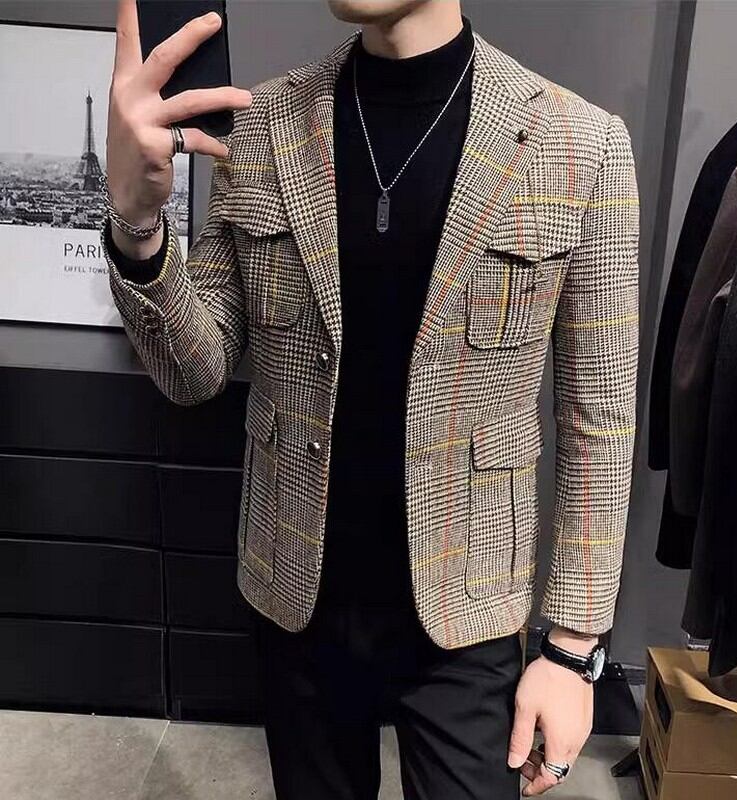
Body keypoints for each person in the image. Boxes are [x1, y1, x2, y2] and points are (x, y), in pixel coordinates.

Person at [101, 1, 639, 797]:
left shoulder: (580, 144)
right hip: (296, 589)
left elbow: (599, 418)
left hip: (468, 606)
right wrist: (138, 223)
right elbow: (196, 372)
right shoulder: (263, 125)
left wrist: (572, 649)